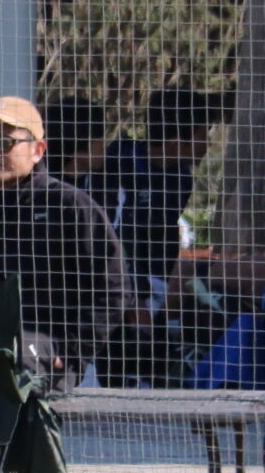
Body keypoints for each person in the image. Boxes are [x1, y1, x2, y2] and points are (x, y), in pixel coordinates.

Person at [0, 96, 131, 385]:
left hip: (42, 349)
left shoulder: (71, 207)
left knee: (10, 364)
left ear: (38, 150)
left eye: (5, 143)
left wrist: (72, 351)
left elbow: (114, 287)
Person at [81, 85, 221, 385]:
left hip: (149, 286)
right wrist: (137, 299)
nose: (207, 144)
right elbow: (114, 238)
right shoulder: (119, 164)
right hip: (106, 283)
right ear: (180, 139)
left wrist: (168, 291)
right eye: (203, 134)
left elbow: (165, 237)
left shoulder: (181, 178)